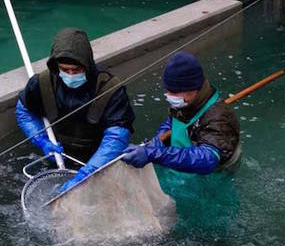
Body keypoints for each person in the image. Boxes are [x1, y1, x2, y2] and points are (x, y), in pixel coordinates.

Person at [16, 28, 134, 192]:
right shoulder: (41, 83)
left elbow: (117, 136)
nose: (71, 75)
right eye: (65, 70)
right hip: (57, 153)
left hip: (98, 159)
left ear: (87, 65)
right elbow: (24, 112)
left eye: (77, 70)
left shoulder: (110, 89)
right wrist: (41, 139)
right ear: (56, 66)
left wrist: (88, 172)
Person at [121, 51, 240, 174]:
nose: (169, 96)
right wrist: (158, 140)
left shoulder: (219, 119)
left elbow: (207, 160)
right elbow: (172, 122)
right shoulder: (186, 102)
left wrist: (156, 154)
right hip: (186, 163)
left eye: (174, 92)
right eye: (168, 91)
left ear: (193, 89)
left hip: (215, 174)